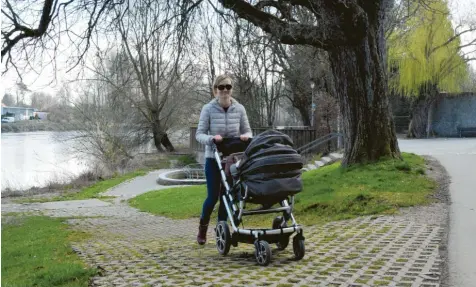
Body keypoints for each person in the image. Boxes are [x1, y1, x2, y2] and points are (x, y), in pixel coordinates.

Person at [195, 74, 252, 245]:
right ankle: (203, 227)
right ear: (215, 90)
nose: (225, 90)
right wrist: (212, 138)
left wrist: (245, 137)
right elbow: (199, 134)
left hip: (232, 159)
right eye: (221, 87)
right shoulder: (208, 109)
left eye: (228, 87)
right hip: (214, 158)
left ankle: (222, 230)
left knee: (227, 195)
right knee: (212, 197)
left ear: (231, 89)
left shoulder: (239, 109)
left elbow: (249, 131)